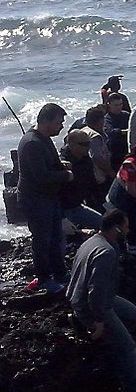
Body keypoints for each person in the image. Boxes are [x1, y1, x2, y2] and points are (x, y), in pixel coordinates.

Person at [66, 209, 136, 392]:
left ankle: (117, 343)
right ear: (116, 228)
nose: (128, 230)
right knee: (128, 346)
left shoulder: (92, 242)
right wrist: (96, 322)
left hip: (95, 297)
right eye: (126, 226)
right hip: (93, 305)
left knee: (133, 313)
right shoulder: (107, 252)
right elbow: (95, 294)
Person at [18, 103, 74, 294]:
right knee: (42, 240)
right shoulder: (32, 143)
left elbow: (51, 163)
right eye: (59, 122)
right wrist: (65, 176)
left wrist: (61, 165)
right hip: (35, 199)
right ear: (46, 121)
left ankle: (60, 273)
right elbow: (41, 177)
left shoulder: (44, 137)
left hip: (49, 198)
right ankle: (43, 278)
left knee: (56, 237)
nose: (61, 126)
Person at [58, 129, 104, 231]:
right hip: (63, 211)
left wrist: (104, 208)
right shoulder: (62, 164)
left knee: (104, 223)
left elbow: (92, 185)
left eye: (89, 144)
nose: (88, 147)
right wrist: (62, 218)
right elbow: (55, 195)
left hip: (77, 206)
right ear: (72, 145)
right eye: (84, 144)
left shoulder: (86, 160)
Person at [83, 105, 116, 201]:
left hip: (89, 176)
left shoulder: (85, 130)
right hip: (99, 177)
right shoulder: (95, 136)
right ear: (100, 121)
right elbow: (97, 157)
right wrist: (110, 171)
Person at [103, 92, 131, 168]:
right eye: (116, 105)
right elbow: (111, 132)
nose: (119, 107)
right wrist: (125, 131)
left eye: (120, 104)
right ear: (109, 104)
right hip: (115, 153)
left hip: (127, 149)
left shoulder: (126, 115)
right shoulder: (107, 118)